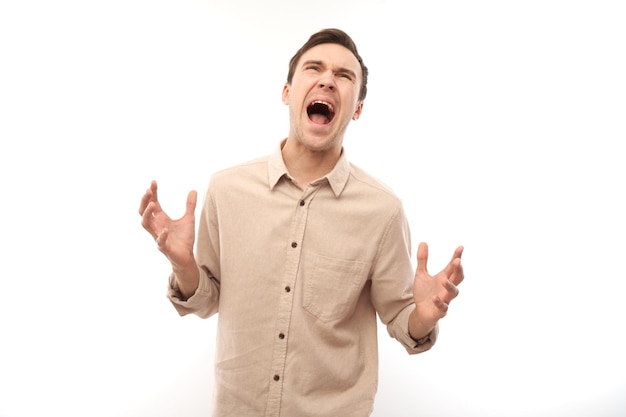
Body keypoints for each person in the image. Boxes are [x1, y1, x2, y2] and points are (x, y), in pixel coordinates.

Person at [139, 28, 464, 417]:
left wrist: (422, 317)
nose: (328, 79)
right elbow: (206, 299)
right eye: (314, 68)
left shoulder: (382, 210)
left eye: (344, 76)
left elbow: (399, 318)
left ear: (357, 109)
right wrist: (184, 265)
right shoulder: (227, 189)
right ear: (287, 92)